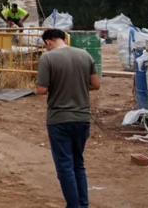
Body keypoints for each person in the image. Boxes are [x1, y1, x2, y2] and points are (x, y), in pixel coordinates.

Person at [36, 28, 100, 208]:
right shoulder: (85, 55)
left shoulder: (47, 58)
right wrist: (76, 86)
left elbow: (41, 89)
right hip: (82, 118)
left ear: (48, 42)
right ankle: (82, 204)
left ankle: (74, 205)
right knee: (78, 164)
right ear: (64, 38)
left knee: (65, 166)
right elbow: (95, 84)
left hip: (59, 119)